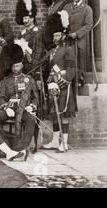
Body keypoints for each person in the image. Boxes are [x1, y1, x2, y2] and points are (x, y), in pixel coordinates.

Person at [0, 44, 39, 152]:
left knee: (31, 119)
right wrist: (6, 108)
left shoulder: (29, 79)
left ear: (21, 65)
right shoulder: (6, 80)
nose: (15, 69)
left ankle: (21, 147)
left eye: (17, 66)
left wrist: (32, 106)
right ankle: (7, 144)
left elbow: (35, 98)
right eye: (13, 66)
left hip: (24, 108)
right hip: (10, 108)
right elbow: (1, 98)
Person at [41, 11, 77, 152]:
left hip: (63, 86)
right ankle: (56, 141)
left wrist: (61, 82)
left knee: (64, 115)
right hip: (53, 86)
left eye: (57, 35)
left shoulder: (68, 49)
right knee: (55, 115)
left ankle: (65, 143)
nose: (55, 38)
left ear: (63, 35)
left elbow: (71, 70)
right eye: (54, 35)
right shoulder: (53, 51)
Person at [63, 0, 93, 86]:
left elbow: (89, 25)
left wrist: (77, 34)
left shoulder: (87, 9)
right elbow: (62, 21)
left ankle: (80, 81)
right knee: (70, 61)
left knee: (80, 62)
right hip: (69, 41)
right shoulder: (67, 7)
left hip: (80, 40)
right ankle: (71, 82)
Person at [14, 0, 45, 77]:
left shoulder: (38, 32)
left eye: (26, 18)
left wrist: (36, 73)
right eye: (23, 19)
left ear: (32, 17)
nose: (24, 21)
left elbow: (38, 54)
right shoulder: (21, 33)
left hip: (33, 68)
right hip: (22, 69)